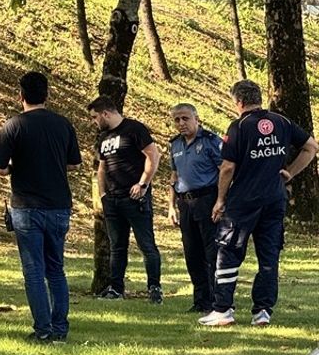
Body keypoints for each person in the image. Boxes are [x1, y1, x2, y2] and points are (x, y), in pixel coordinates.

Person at [199, 80, 318, 327]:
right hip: (274, 199)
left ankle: (223, 309)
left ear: (238, 102)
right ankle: (262, 311)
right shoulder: (281, 122)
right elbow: (311, 147)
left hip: (243, 200)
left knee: (228, 251)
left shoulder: (239, 127)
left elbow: (228, 167)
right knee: (269, 255)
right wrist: (290, 172)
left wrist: (220, 199)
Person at [0, 71, 82, 343]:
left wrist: (12, 169)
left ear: (20, 96)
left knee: (33, 271)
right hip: (59, 206)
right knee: (56, 269)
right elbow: (74, 164)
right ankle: (60, 329)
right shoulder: (63, 124)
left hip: (27, 207)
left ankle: (42, 329)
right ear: (47, 95)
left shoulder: (13, 126)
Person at [88, 96, 163, 303]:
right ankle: (116, 288)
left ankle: (154, 288)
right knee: (117, 246)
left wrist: (143, 184)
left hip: (135, 198)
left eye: (95, 117)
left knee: (146, 245)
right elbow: (102, 167)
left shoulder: (134, 129)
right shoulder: (104, 137)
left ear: (106, 113)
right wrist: (102, 194)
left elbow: (153, 156)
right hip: (112, 199)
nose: (95, 122)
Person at [167, 103, 223, 313]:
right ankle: (200, 300)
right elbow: (174, 177)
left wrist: (221, 201)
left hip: (207, 199)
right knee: (192, 252)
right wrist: (171, 206)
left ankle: (218, 299)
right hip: (185, 202)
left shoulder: (210, 141)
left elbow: (224, 171)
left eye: (185, 118)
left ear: (196, 118)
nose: (181, 123)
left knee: (212, 251)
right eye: (177, 120)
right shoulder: (175, 145)